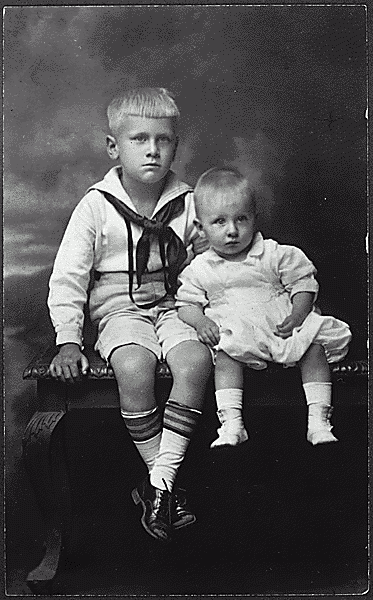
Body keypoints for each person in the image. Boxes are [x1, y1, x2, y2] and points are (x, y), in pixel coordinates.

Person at [47, 87, 212, 543]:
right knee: (134, 366)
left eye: (164, 140)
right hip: (119, 310)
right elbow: (68, 278)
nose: (154, 150)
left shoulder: (190, 202)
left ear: (176, 145)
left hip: (180, 305)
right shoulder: (96, 205)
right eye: (140, 139)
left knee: (196, 362)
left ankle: (158, 484)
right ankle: (168, 486)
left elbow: (214, 266)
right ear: (113, 147)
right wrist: (67, 338)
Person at [176, 167, 352, 448]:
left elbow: (303, 283)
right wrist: (200, 322)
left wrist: (297, 314)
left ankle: (319, 421)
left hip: (282, 324)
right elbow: (186, 304)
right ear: (200, 227)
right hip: (239, 331)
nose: (232, 231)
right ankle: (231, 424)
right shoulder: (201, 268)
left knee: (314, 348)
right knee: (226, 355)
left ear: (255, 219)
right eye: (219, 222)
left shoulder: (272, 253)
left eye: (241, 219)